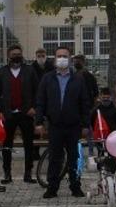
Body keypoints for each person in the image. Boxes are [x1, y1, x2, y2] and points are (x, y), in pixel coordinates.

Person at [35, 45, 90, 199]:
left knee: (74, 158)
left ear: (70, 59)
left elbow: (85, 103)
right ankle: (52, 188)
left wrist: (86, 124)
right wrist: (39, 122)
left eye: (65, 56)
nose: (62, 59)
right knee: (54, 158)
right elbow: (40, 101)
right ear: (54, 60)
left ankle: (75, 186)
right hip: (55, 125)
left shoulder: (78, 79)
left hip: (73, 126)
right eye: (59, 56)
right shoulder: (47, 78)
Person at [0, 45, 40, 184]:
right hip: (8, 114)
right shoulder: (2, 71)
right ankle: (7, 174)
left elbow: (37, 91)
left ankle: (28, 174)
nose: (16, 56)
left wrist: (34, 108)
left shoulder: (29, 70)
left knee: (28, 145)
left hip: (26, 113)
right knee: (7, 145)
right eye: (14, 54)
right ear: (9, 56)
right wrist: (0, 111)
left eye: (19, 54)